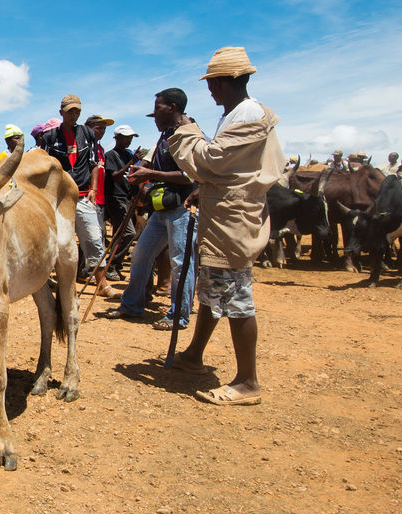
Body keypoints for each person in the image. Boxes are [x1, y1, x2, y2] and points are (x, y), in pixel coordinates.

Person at [165, 46, 284, 406]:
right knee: (215, 287)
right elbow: (230, 170)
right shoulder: (236, 113)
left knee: (236, 297)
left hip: (233, 220)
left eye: (213, 82)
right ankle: (194, 355)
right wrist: (205, 189)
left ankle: (248, 381)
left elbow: (212, 160)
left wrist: (188, 133)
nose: (210, 89)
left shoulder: (248, 116)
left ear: (229, 80)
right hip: (224, 214)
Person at [101, 89, 197, 329]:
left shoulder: (189, 135)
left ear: (172, 107)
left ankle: (178, 316)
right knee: (141, 254)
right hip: (162, 208)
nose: (154, 116)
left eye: (158, 110)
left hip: (183, 208)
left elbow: (191, 175)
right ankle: (132, 305)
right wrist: (140, 174)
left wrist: (151, 174)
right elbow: (153, 162)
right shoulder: (166, 134)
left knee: (179, 262)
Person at [43, 95, 106, 286]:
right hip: (59, 199)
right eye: (70, 111)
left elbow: (93, 163)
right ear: (61, 112)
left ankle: (102, 283)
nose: (74, 115)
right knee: (59, 241)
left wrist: (93, 189)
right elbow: (43, 166)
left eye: (77, 111)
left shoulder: (87, 134)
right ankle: (54, 280)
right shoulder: (50, 137)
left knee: (94, 238)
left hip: (83, 195)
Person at [102, 124, 143, 279]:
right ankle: (111, 265)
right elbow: (115, 176)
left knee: (121, 233)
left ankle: (114, 266)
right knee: (128, 233)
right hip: (115, 197)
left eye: (131, 138)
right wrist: (131, 161)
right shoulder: (111, 155)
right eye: (126, 137)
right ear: (117, 138)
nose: (129, 140)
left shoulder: (128, 154)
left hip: (127, 197)